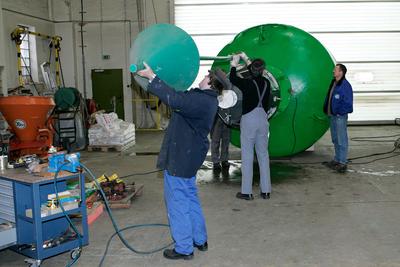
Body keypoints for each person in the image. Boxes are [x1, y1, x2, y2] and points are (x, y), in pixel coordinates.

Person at [137, 63, 229, 260]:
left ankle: (184, 248)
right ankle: (200, 239)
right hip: (191, 155)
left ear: (211, 83)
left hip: (182, 157)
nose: (202, 78)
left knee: (177, 201)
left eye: (206, 77)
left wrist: (152, 77)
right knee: (189, 197)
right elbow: (181, 97)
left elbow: (175, 99)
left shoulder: (201, 101)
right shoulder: (207, 99)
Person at [229, 53, 271, 200]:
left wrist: (234, 63)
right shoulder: (267, 82)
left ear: (251, 70)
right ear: (263, 70)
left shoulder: (247, 82)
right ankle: (266, 191)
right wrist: (246, 58)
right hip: (263, 120)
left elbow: (232, 78)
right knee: (263, 155)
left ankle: (246, 192)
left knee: (247, 154)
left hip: (249, 119)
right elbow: (255, 73)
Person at [323, 63, 353, 173]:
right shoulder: (334, 83)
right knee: (335, 139)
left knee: (342, 139)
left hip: (340, 116)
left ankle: (343, 162)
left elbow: (348, 103)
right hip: (333, 116)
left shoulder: (345, 85)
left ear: (341, 72)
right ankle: (337, 159)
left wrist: (340, 113)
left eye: (335, 70)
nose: (333, 71)